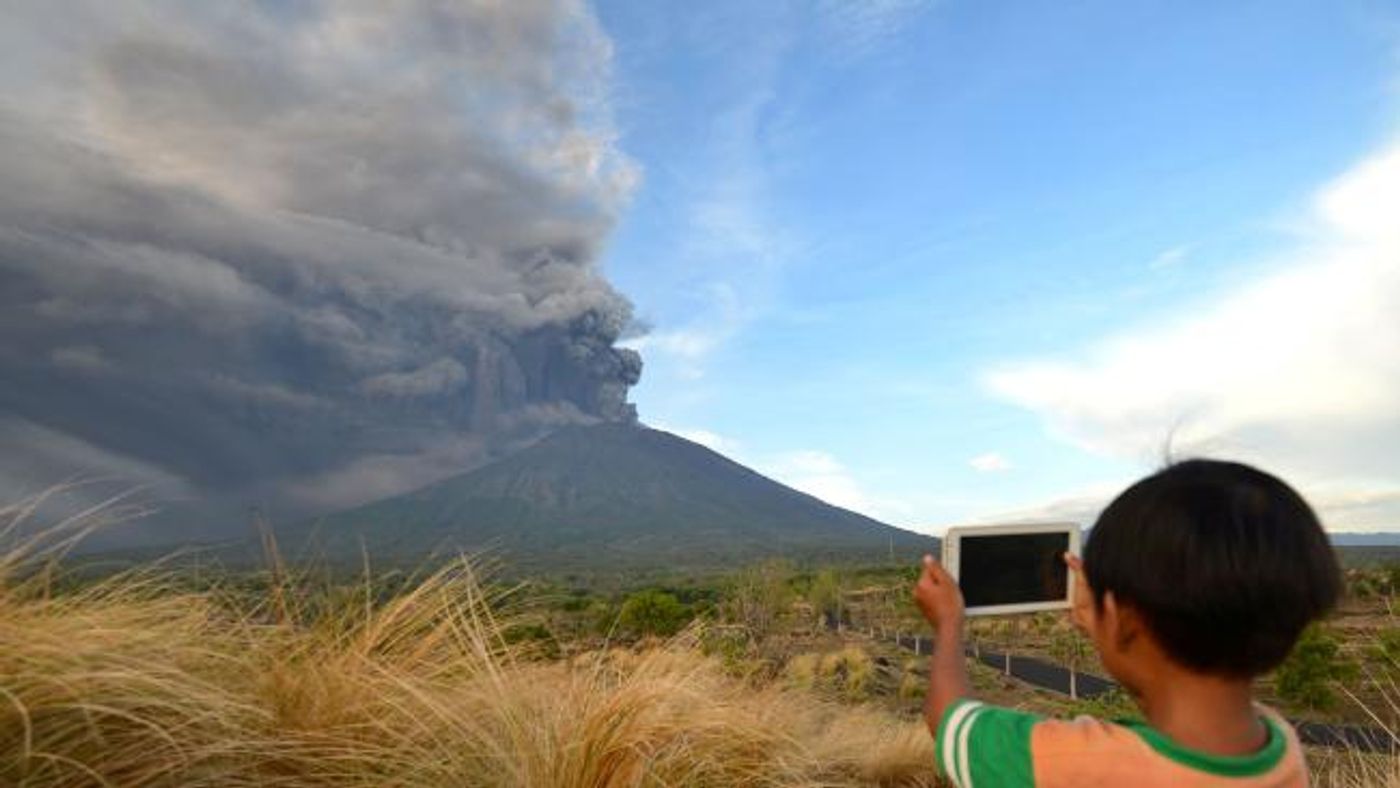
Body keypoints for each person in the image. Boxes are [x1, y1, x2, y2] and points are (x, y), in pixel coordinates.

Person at [914, 459, 1340, 787]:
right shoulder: (1280, 748)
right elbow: (1173, 690)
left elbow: (951, 721)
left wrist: (950, 624)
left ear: (1126, 618)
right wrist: (1109, 622)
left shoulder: (1075, 763)